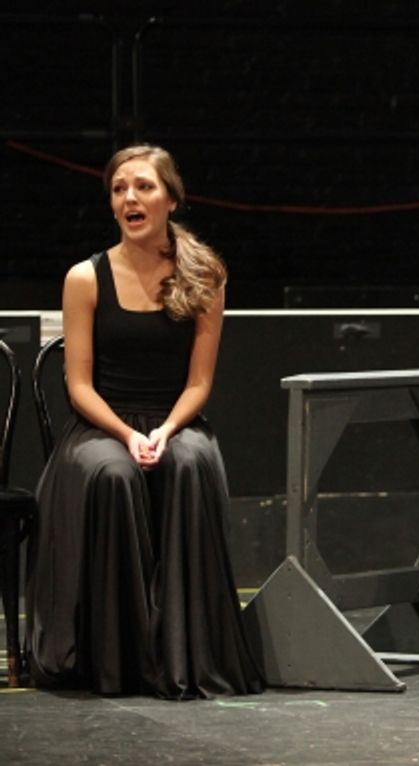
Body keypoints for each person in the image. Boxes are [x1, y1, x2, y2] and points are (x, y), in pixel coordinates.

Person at [25, 145, 265, 698]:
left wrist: (165, 430)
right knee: (113, 474)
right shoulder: (85, 278)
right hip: (101, 427)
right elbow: (78, 385)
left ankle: (187, 656)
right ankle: (119, 663)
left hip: (175, 419)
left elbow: (199, 383)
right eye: (118, 189)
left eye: (144, 187)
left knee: (191, 463)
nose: (129, 197)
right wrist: (129, 434)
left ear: (171, 199)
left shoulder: (205, 274)